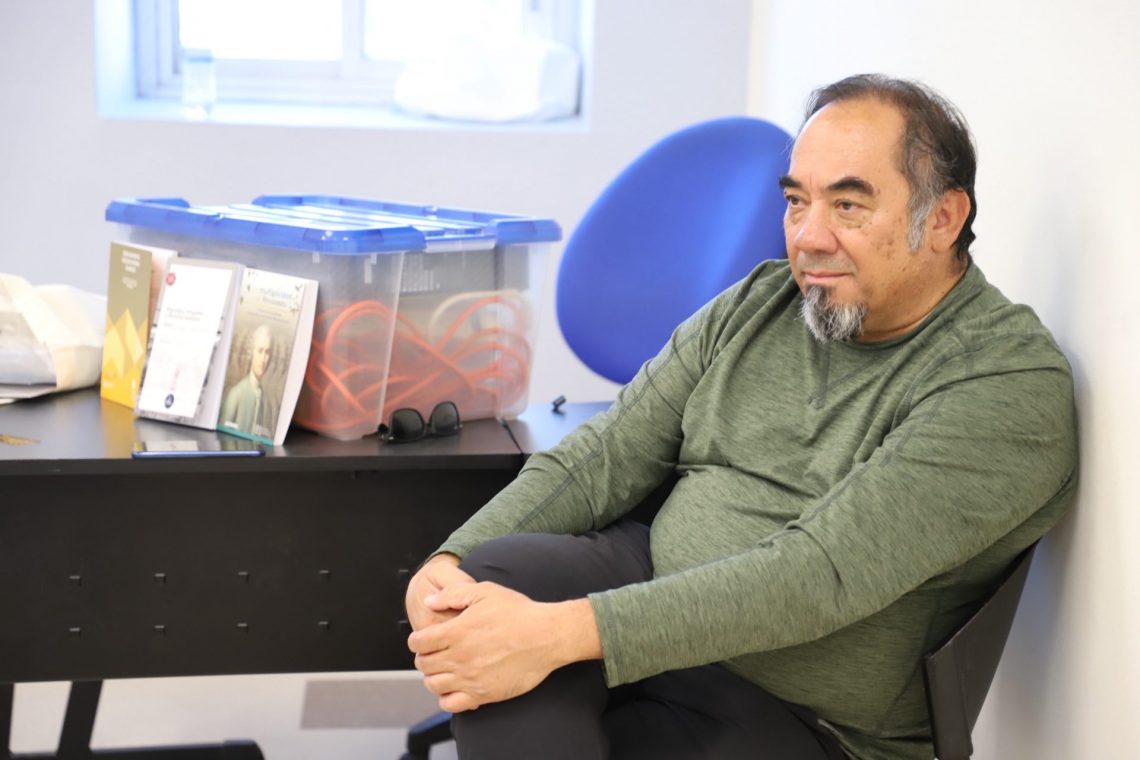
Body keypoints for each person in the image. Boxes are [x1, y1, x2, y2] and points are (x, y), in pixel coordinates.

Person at [404, 74, 1078, 760]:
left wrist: (561, 634)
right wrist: (449, 560)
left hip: (803, 718)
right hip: (656, 604)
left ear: (942, 219)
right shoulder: (762, 300)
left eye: (848, 205)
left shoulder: (1004, 382)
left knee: (525, 669)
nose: (808, 237)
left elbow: (817, 577)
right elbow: (607, 451)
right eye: (796, 201)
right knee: (486, 582)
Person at [219, 324, 274, 438]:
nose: (263, 359)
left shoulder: (266, 401)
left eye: (267, 352)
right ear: (251, 352)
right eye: (260, 351)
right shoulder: (236, 394)